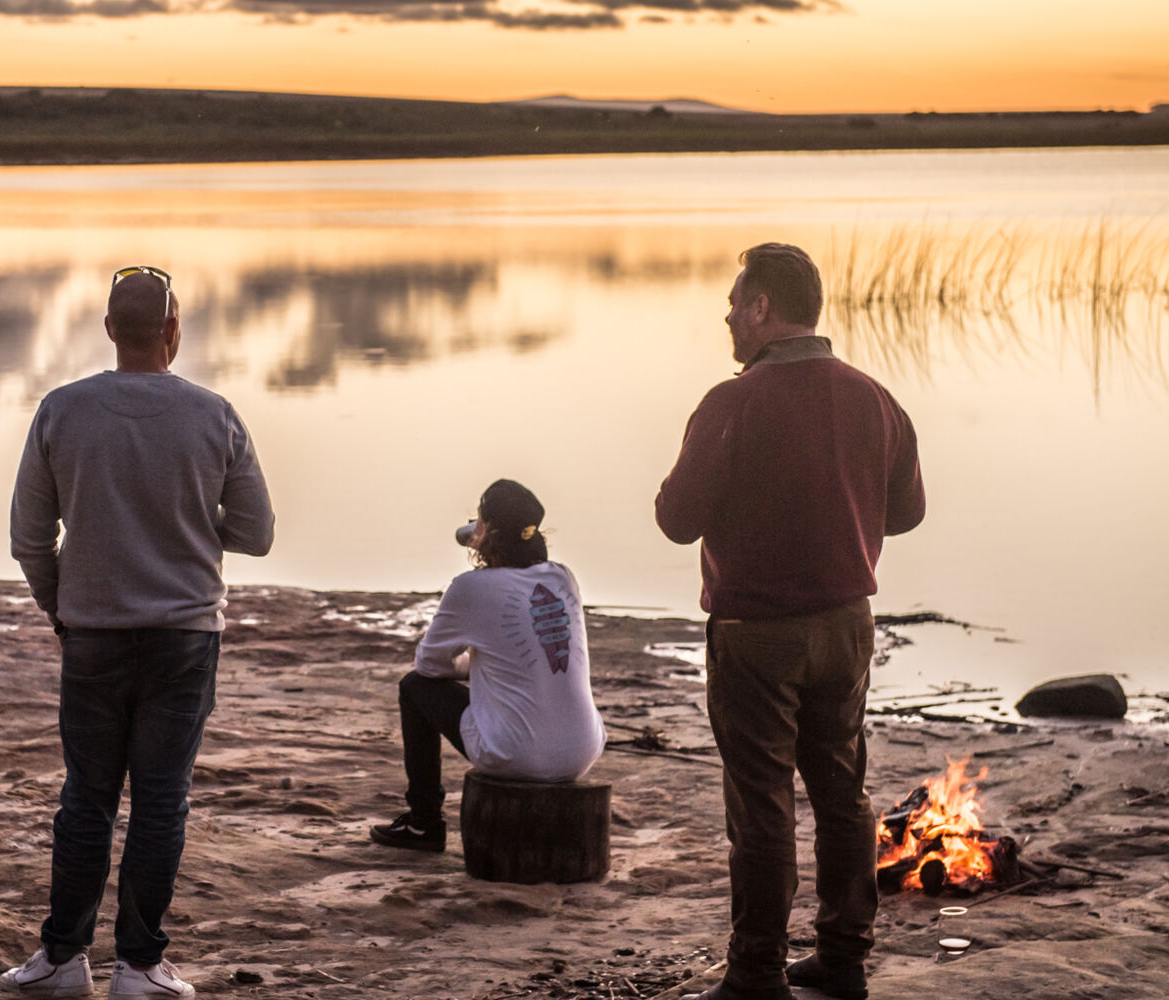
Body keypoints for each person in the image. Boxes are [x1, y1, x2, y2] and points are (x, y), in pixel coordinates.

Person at [655, 243, 925, 1000]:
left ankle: (756, 973)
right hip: (846, 625)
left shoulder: (733, 402)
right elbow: (906, 513)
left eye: (737, 301)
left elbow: (676, 520)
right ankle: (843, 959)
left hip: (757, 632)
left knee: (763, 803)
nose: (729, 315)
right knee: (843, 793)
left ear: (765, 308)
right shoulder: (874, 396)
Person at [2, 265, 274, 1000]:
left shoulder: (62, 410)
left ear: (111, 331)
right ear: (173, 332)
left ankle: (61, 959)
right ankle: (140, 966)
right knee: (161, 801)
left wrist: (62, 607)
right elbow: (257, 534)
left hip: (91, 634)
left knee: (87, 797)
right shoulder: (214, 414)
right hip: (185, 638)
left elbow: (29, 538)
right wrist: (186, 519)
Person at [368, 478, 605, 853]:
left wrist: (474, 664)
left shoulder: (470, 588)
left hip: (515, 755)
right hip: (582, 752)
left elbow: (429, 666)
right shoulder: (563, 577)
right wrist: (487, 662)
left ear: (486, 533)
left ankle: (423, 822)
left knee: (413, 687)